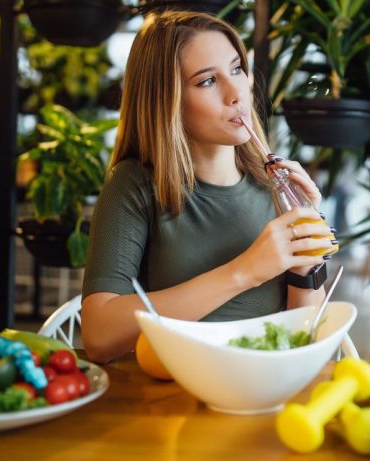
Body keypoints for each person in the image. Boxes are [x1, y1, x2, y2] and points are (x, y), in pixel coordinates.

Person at [81, 10, 334, 364]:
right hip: (169, 399)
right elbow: (98, 335)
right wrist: (244, 271)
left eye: (236, 69)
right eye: (206, 81)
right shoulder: (135, 184)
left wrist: (306, 263)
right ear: (165, 100)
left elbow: (307, 344)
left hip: (264, 391)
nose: (236, 92)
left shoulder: (277, 190)